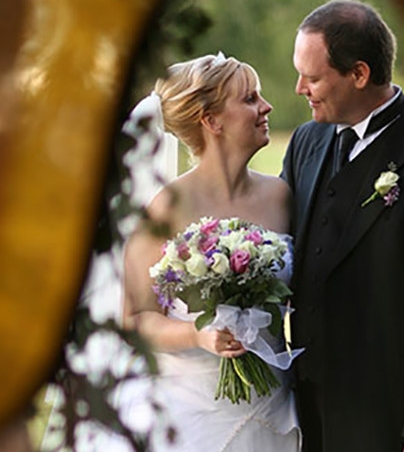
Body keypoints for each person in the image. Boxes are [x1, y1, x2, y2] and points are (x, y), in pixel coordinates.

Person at [281, 2, 404, 452]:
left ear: (359, 74)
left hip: (397, 418)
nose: (299, 88)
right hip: (311, 413)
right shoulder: (306, 141)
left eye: (312, 77)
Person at [120, 54, 301, 452]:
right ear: (212, 121)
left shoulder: (282, 196)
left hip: (274, 408)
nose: (266, 107)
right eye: (251, 99)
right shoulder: (165, 208)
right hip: (192, 414)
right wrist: (196, 334)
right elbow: (134, 317)